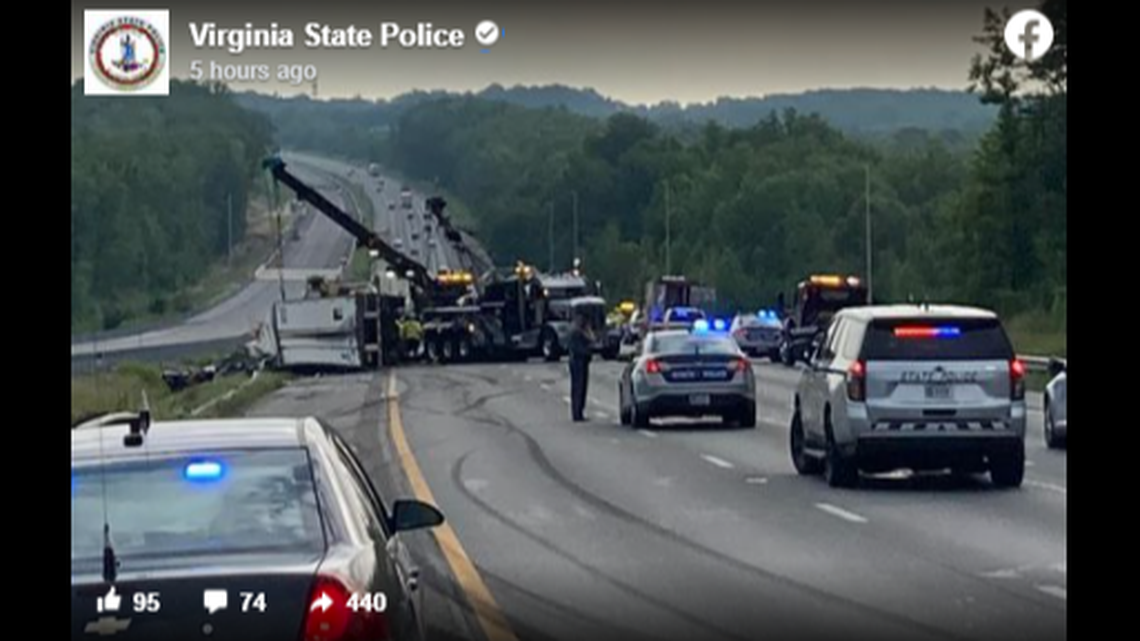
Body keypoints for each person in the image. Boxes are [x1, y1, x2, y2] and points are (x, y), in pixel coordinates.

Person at [568, 312, 594, 421]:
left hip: (580, 361)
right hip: (578, 361)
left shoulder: (577, 330)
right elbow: (591, 339)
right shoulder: (577, 332)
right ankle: (577, 413)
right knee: (579, 388)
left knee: (580, 388)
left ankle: (578, 411)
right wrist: (588, 331)